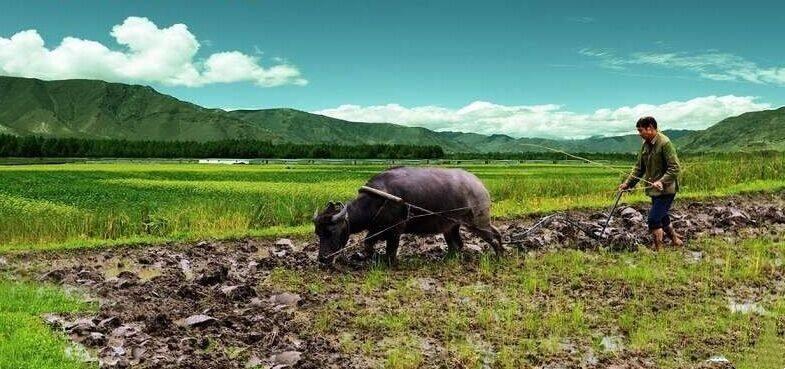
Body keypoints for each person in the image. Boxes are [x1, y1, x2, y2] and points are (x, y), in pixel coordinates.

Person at [618, 116, 682, 250]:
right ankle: (675, 240)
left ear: (650, 128)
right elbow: (639, 168)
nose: (639, 134)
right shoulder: (645, 144)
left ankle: (659, 249)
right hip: (654, 190)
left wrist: (662, 181)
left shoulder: (665, 143)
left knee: (653, 219)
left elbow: (675, 167)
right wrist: (628, 184)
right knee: (662, 217)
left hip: (666, 190)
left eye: (641, 131)